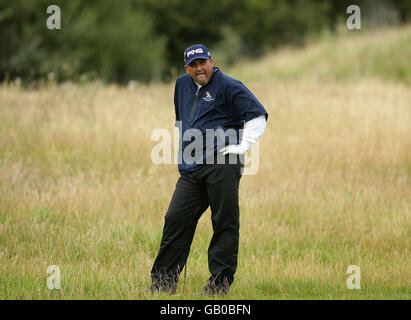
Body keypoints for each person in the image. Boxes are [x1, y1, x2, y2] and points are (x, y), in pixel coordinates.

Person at [149, 44, 268, 295]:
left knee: (223, 221)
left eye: (202, 62)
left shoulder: (229, 86)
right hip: (192, 167)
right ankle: (162, 284)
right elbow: (183, 121)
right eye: (193, 65)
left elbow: (258, 116)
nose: (198, 68)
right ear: (186, 68)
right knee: (175, 219)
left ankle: (218, 286)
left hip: (223, 163)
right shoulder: (181, 85)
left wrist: (242, 146)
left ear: (212, 61)